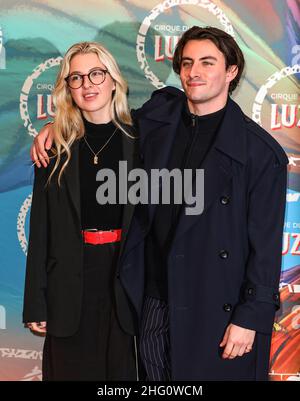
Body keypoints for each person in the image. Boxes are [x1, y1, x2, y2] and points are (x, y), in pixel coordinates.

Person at [31, 27, 288, 381]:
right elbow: (100, 122)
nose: (194, 72)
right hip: (154, 303)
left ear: (231, 72)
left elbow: (267, 248)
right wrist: (52, 128)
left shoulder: (260, 153)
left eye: (207, 62)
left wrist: (250, 317)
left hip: (215, 308)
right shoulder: (158, 118)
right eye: (187, 63)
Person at [23, 41, 141, 381]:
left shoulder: (142, 140)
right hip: (69, 286)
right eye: (76, 78)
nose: (87, 84)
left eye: (96, 74)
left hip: (125, 283)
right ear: (67, 88)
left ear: (113, 79)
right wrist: (36, 302)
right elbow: (41, 230)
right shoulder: (55, 148)